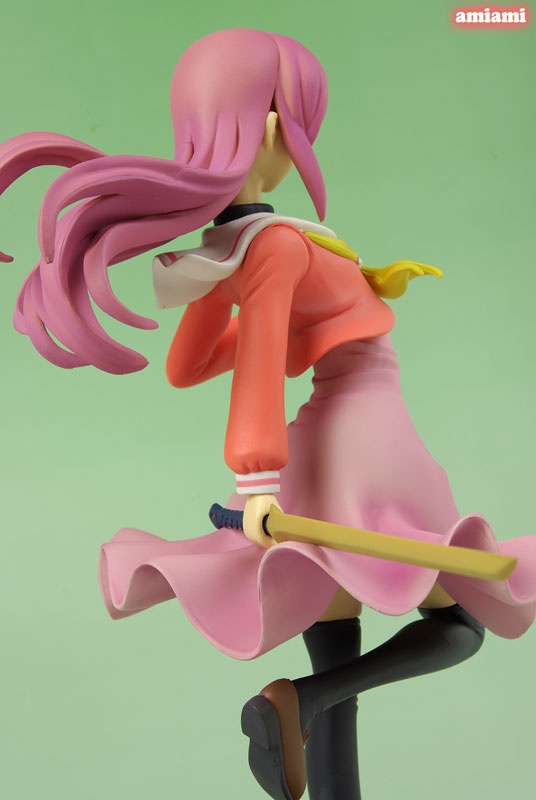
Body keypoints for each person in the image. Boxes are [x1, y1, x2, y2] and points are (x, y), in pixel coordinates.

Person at [2, 29, 535, 800]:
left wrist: (321, 300)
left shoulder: (238, 248)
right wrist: (255, 482)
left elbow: (190, 365)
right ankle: (301, 701)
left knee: (335, 633)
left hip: (318, 442)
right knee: (459, 625)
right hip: (368, 431)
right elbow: (255, 370)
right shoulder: (274, 246)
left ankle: (311, 715)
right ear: (281, 126)